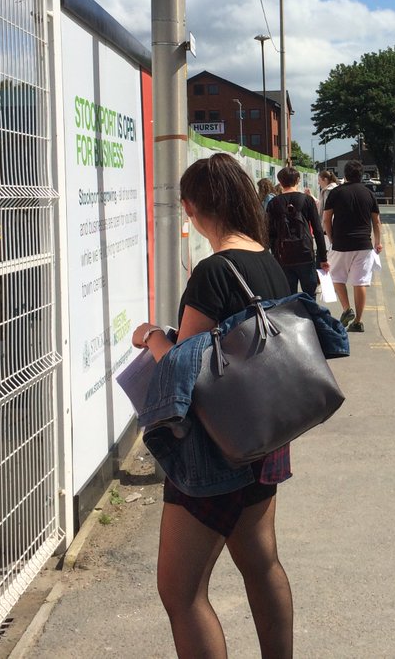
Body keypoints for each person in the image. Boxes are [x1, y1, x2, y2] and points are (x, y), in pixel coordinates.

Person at [130, 153, 294, 658]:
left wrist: (154, 337)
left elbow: (186, 365)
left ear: (195, 207)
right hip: (263, 438)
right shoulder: (268, 264)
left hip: (213, 450)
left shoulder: (214, 269)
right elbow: (229, 345)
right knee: (262, 564)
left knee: (180, 592)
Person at [322, 160, 382, 333]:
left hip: (341, 243)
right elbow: (376, 221)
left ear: (345, 174)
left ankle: (347, 308)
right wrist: (377, 242)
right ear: (361, 175)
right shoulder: (368, 193)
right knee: (360, 282)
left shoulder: (336, 193)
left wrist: (332, 239)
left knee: (335, 277)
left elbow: (326, 219)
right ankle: (358, 321)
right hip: (364, 244)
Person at [266, 165, 328, 295]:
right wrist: (323, 257)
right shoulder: (307, 200)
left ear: (280, 182)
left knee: (288, 297)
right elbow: (317, 229)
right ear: (298, 180)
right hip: (305, 254)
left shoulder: (273, 203)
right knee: (310, 296)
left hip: (283, 256)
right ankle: (310, 315)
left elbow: (269, 232)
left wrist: (274, 254)